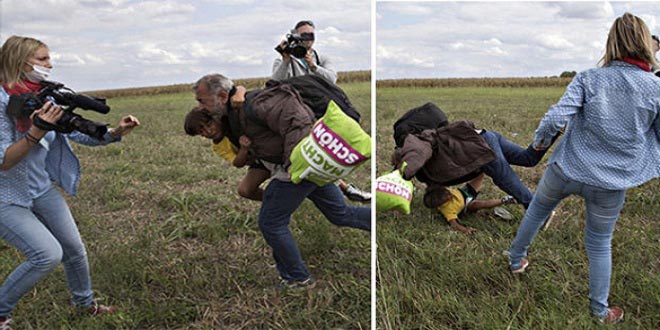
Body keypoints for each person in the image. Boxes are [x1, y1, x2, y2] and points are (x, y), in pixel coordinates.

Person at [508, 13, 660, 324]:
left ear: (611, 42)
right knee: (599, 242)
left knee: (536, 211)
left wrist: (539, 145)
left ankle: (514, 261)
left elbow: (554, 119)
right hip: (611, 182)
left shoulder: (589, 78)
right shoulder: (655, 88)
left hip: (566, 169)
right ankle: (599, 311)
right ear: (647, 44)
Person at [0, 36, 141, 328]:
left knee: (74, 249)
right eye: (42, 59)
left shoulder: (42, 96)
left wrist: (114, 132)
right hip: (6, 196)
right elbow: (4, 161)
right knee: (46, 254)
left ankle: (84, 304)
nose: (50, 65)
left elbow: (72, 131)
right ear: (19, 60)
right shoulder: (2, 101)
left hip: (40, 188)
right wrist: (37, 130)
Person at [192, 73, 370, 288]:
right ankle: (379, 223)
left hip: (296, 167)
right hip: (309, 166)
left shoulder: (255, 103)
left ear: (221, 95)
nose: (200, 107)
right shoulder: (233, 110)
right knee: (340, 213)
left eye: (201, 100)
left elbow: (297, 119)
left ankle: (297, 278)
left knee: (271, 222)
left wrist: (293, 164)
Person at [184, 108, 270, 201]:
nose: (208, 131)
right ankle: (276, 200)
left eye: (209, 125)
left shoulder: (232, 121)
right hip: (259, 164)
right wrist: (243, 150)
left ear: (215, 118)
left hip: (271, 153)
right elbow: (237, 163)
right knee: (245, 190)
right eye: (201, 132)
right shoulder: (218, 146)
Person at [423, 173, 515, 233]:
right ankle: (504, 200)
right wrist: (465, 230)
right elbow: (454, 223)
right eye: (448, 198)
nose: (450, 196)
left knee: (479, 175)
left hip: (464, 192)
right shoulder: (447, 210)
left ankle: (483, 167)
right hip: (467, 205)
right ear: (441, 204)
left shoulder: (441, 190)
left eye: (448, 193)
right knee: (479, 204)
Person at [272, 20, 337, 84]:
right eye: (304, 35)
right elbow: (275, 83)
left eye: (311, 35)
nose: (308, 38)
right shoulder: (281, 60)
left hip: (318, 94)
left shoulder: (322, 59)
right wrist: (285, 62)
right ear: (295, 36)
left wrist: (314, 67)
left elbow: (333, 79)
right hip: (295, 93)